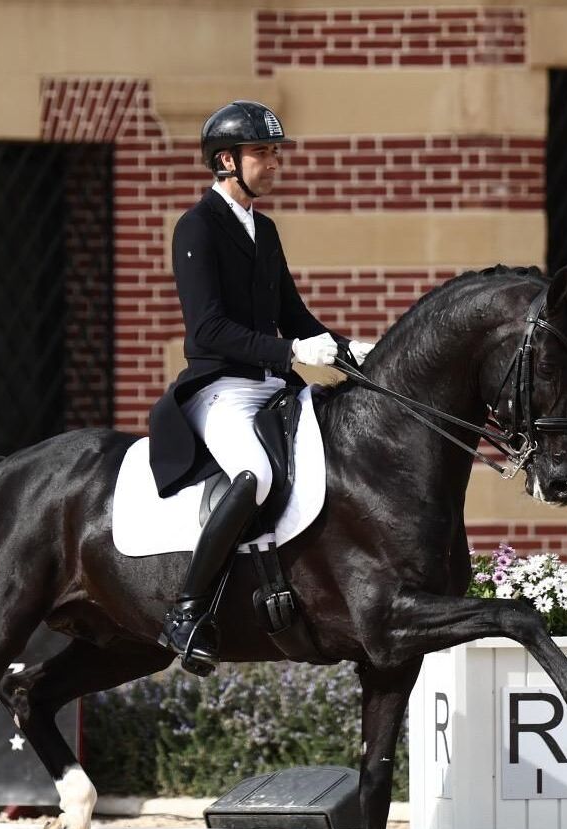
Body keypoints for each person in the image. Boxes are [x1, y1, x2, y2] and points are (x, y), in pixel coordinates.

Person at [146, 100, 373, 676]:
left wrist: (352, 350)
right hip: (219, 388)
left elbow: (293, 315)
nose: (274, 163)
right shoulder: (196, 227)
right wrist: (290, 352)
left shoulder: (264, 230)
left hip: (272, 385)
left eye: (276, 153)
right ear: (226, 160)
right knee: (257, 473)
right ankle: (187, 610)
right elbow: (207, 329)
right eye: (262, 153)